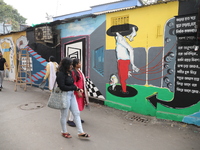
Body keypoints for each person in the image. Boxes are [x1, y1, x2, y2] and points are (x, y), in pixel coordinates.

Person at [56, 57, 90, 139]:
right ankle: (64, 131)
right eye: (70, 64)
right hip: (64, 95)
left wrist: (77, 88)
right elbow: (62, 86)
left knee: (76, 113)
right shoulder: (60, 74)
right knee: (64, 115)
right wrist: (73, 88)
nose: (71, 66)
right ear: (66, 65)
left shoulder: (70, 73)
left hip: (72, 95)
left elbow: (72, 83)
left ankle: (80, 132)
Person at [107, 24, 139, 93]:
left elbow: (131, 49)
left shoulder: (120, 39)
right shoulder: (120, 38)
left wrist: (133, 64)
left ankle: (124, 91)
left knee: (123, 79)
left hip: (123, 61)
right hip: (121, 61)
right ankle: (123, 90)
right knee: (121, 77)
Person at [67, 58, 89, 127]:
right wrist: (78, 91)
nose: (80, 64)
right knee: (74, 106)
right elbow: (74, 82)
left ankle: (77, 118)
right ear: (76, 65)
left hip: (81, 91)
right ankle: (70, 120)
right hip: (76, 92)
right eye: (79, 63)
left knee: (79, 105)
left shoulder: (79, 71)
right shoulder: (73, 72)